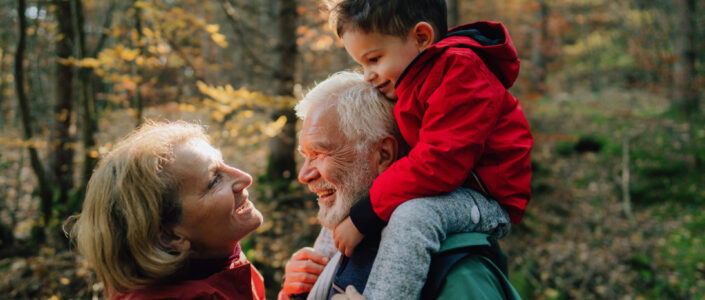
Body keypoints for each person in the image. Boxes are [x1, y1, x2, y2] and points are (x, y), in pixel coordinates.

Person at [327, 0, 534, 298]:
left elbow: (439, 163)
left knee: (414, 215)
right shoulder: (414, 81)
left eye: (373, 59)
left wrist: (365, 215)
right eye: (361, 65)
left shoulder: (461, 71)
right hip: (453, 191)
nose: (367, 75)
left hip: (485, 200)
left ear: (421, 38)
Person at [279, 71, 520, 300]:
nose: (304, 175)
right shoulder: (343, 243)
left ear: (383, 154)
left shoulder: (461, 274)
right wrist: (295, 294)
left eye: (320, 153)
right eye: (305, 155)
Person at [64, 120, 265, 300]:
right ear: (168, 236)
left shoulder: (215, 265)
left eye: (224, 164)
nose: (245, 178)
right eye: (214, 181)